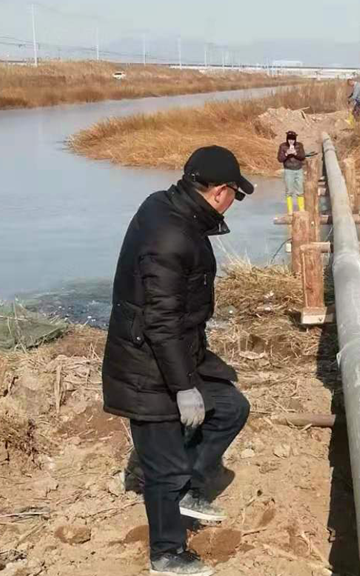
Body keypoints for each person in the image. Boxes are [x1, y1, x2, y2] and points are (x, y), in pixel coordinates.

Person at [102, 145, 254, 575]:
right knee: (165, 468)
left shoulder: (169, 207)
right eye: (235, 194)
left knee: (229, 407)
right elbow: (161, 323)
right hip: (145, 367)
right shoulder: (172, 238)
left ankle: (186, 486)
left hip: (173, 354)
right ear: (221, 191)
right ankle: (166, 554)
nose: (233, 203)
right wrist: (184, 387)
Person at [276, 130, 306, 214]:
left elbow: (303, 157)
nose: (291, 141)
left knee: (300, 190)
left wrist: (295, 153)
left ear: (295, 139)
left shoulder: (299, 145)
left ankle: (301, 209)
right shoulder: (283, 146)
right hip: (288, 170)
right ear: (287, 139)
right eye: (289, 139)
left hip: (299, 170)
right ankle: (290, 211)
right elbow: (279, 159)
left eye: (293, 139)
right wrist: (286, 154)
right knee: (289, 191)